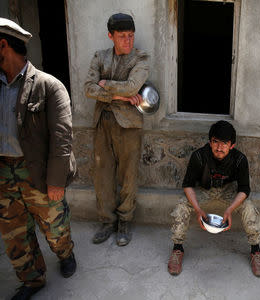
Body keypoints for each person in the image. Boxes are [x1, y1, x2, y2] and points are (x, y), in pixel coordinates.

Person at [0, 18, 77, 299]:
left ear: (3, 44)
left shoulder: (48, 86)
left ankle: (65, 253)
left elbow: (62, 139)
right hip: (3, 174)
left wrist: (56, 181)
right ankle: (32, 279)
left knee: (55, 228)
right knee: (14, 232)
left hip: (39, 172)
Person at [167, 120, 260, 277]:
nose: (219, 147)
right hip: (204, 190)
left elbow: (244, 190)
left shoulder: (240, 159)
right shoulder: (199, 156)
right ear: (210, 142)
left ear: (232, 145)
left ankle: (255, 250)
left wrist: (230, 209)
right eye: (215, 142)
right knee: (181, 206)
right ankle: (177, 248)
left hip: (229, 191)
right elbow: (187, 185)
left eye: (224, 143)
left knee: (249, 207)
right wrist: (198, 210)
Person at [84, 13, 150, 246]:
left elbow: (133, 86)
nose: (128, 41)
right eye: (122, 36)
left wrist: (106, 85)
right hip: (102, 122)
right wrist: (121, 95)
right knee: (102, 175)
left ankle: (125, 221)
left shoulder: (140, 59)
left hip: (129, 125)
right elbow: (88, 89)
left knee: (128, 175)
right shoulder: (99, 57)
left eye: (131, 36)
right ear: (110, 36)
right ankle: (107, 221)